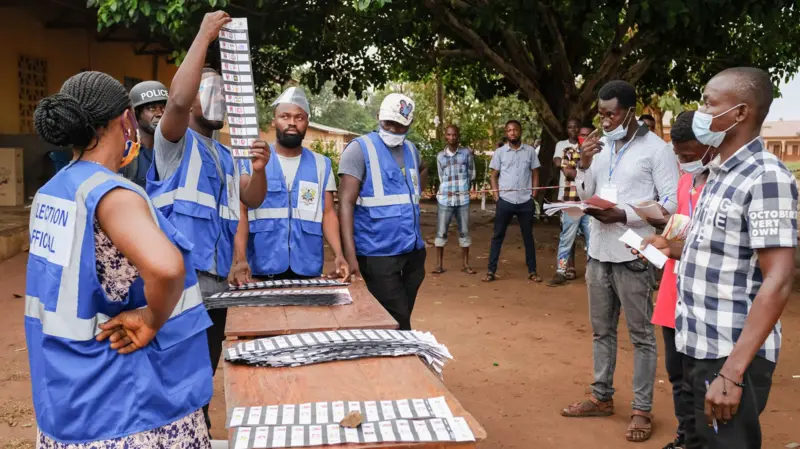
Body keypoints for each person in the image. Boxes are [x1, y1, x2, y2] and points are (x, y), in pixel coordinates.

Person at [27, 71, 211, 447]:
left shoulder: (53, 192)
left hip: (68, 396)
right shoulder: (113, 195)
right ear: (126, 120)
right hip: (129, 405)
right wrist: (151, 318)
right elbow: (166, 268)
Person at [641, 68, 797, 449]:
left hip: (729, 354)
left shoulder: (766, 178)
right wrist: (670, 248)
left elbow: (778, 279)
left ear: (740, 113)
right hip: (696, 343)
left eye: (709, 104)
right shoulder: (717, 174)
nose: (700, 112)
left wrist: (732, 372)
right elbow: (723, 252)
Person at [145, 11, 268, 428]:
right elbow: (178, 101)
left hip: (216, 290)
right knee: (174, 376)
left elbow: (250, 197)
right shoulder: (174, 143)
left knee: (202, 374)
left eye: (222, 93)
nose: (216, 100)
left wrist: (260, 169)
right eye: (207, 90)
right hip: (178, 288)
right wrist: (204, 34)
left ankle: (196, 430)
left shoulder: (227, 155)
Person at [560, 80, 679, 443]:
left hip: (634, 254)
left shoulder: (656, 150)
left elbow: (671, 204)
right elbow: (585, 193)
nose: (605, 120)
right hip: (598, 252)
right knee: (602, 331)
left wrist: (625, 214)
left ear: (630, 112)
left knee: (641, 336)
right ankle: (601, 397)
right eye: (601, 114)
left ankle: (642, 409)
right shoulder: (600, 147)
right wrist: (584, 164)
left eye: (611, 114)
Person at [644, 111, 715, 449]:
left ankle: (701, 439)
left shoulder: (720, 186)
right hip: (674, 287)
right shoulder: (686, 182)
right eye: (679, 155)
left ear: (710, 146)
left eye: (688, 155)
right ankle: (685, 437)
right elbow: (679, 229)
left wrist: (672, 245)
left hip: (704, 293)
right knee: (676, 372)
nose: (683, 162)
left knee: (699, 377)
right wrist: (661, 239)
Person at [229, 87, 349, 284]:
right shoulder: (252, 161)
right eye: (285, 116)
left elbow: (328, 213)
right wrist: (240, 259)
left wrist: (338, 254)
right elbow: (241, 213)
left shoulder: (322, 164)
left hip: (307, 269)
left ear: (307, 122)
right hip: (261, 268)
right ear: (274, 121)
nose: (292, 122)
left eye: (299, 117)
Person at [338, 93, 428, 330]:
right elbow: (345, 203)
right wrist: (350, 256)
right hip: (378, 254)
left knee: (400, 314)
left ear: (410, 123)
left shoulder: (411, 150)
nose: (394, 129)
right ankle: (402, 351)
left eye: (400, 125)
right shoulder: (359, 149)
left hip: (413, 252)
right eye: (389, 123)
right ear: (379, 117)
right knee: (398, 321)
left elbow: (423, 169)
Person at [483, 120, 541, 282]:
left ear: (520, 131)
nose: (512, 133)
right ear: (506, 133)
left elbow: (535, 173)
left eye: (515, 130)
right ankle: (491, 271)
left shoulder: (530, 151)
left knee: (528, 237)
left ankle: (532, 271)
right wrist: (497, 197)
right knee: (497, 236)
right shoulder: (500, 152)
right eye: (509, 130)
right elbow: (493, 176)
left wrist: (533, 195)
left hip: (525, 201)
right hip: (505, 201)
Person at [549, 118, 592, 286]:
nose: (582, 137)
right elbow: (567, 171)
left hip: (590, 202)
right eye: (582, 134)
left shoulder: (597, 153)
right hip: (572, 201)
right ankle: (561, 271)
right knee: (567, 237)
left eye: (587, 135)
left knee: (592, 239)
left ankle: (592, 272)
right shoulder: (567, 149)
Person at [432, 124, 476, 275]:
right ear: (445, 136)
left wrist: (463, 187)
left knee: (464, 231)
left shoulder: (466, 153)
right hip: (445, 199)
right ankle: (439, 265)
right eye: (449, 134)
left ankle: (465, 264)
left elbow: (471, 174)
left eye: (454, 134)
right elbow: (441, 177)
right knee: (441, 232)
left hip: (462, 199)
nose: (452, 137)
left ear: (458, 136)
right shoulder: (440, 156)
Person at [120, 80, 167, 188]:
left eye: (163, 108)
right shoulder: (124, 152)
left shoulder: (175, 149)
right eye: (152, 108)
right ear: (136, 114)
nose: (160, 113)